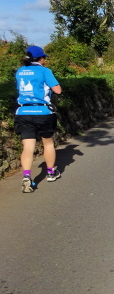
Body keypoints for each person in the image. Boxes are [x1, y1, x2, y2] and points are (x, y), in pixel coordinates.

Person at [14, 45, 63, 193]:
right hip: (42, 111)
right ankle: (51, 173)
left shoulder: (20, 71)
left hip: (23, 112)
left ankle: (27, 176)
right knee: (48, 143)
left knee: (28, 147)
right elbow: (58, 90)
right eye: (43, 58)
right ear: (40, 58)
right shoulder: (44, 71)